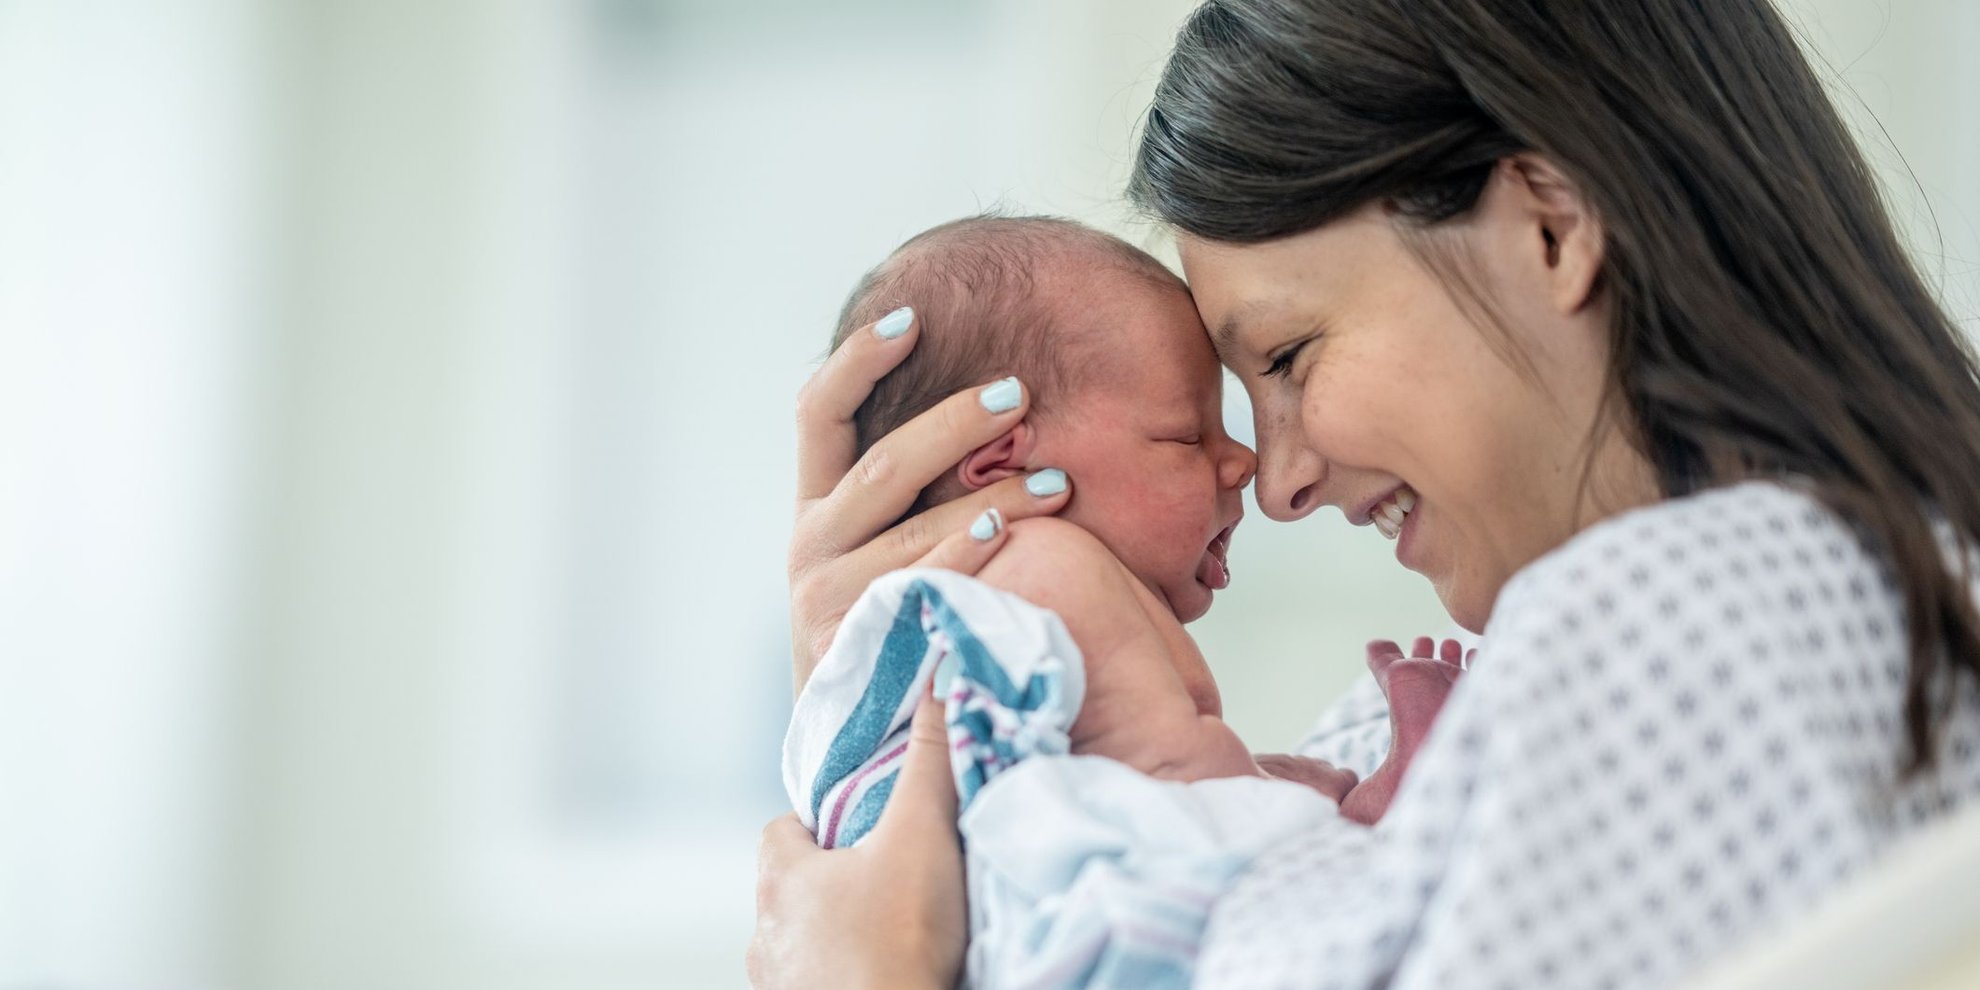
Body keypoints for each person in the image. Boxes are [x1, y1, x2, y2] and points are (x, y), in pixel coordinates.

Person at [754, 1, 1980, 987]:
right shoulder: (1518, 684)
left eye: (1287, 359)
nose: (1276, 483)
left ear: (1549, 229)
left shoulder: (1683, 621)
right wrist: (940, 752)